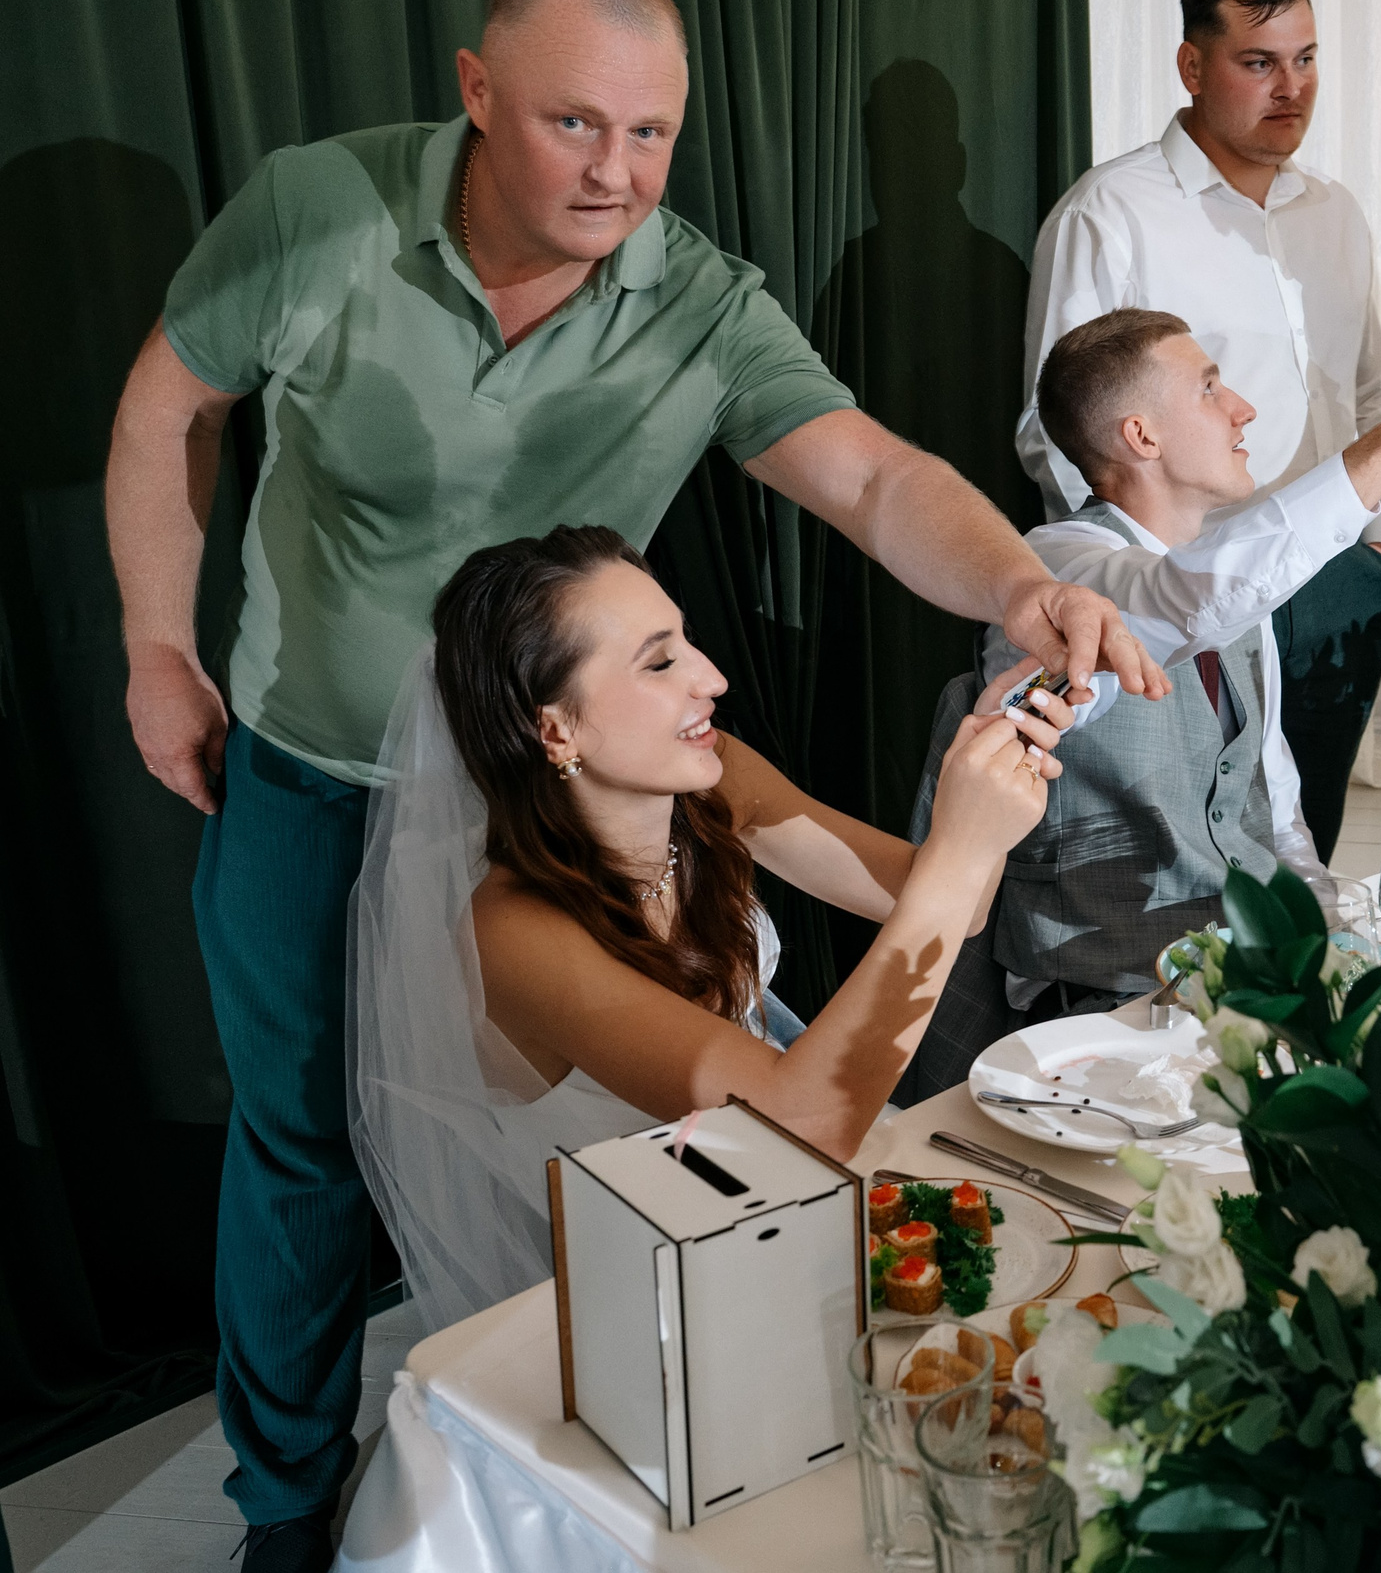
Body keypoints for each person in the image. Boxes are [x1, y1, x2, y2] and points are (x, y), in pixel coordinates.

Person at [99, 0, 1156, 1571]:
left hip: (566, 797)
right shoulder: (320, 215)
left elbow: (873, 481)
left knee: (621, 1170)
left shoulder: (701, 305)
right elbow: (174, 402)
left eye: (651, 135)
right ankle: (286, 1506)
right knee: (304, 1146)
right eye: (575, 125)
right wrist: (158, 647)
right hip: (312, 772)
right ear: (474, 95)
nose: (617, 174)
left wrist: (1025, 583)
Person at [348, 526, 1061, 1333]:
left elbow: (952, 905)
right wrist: (964, 841)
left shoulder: (711, 786)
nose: (713, 678)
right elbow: (804, 1127)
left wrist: (1000, 768)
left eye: (688, 642)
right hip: (636, 1290)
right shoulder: (512, 934)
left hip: (770, 1200)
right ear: (555, 729)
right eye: (660, 662)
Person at [896, 304, 1381, 1096]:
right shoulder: (1059, 574)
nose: (1243, 406)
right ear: (1141, 437)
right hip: (1099, 1019)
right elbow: (1184, 598)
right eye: (1211, 387)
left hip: (1239, 993)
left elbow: (1273, 806)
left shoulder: (1232, 586)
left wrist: (1332, 948)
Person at [1016, 0, 1381, 860]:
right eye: (1259, 62)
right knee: (1191, 862)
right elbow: (1055, 427)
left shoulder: (1337, 213)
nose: (1291, 87)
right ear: (1193, 67)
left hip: (1341, 573)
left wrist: (1378, 545)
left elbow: (1369, 387)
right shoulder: (1109, 212)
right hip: (1187, 598)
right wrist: (1140, 589)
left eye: (1305, 60)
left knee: (1306, 850)